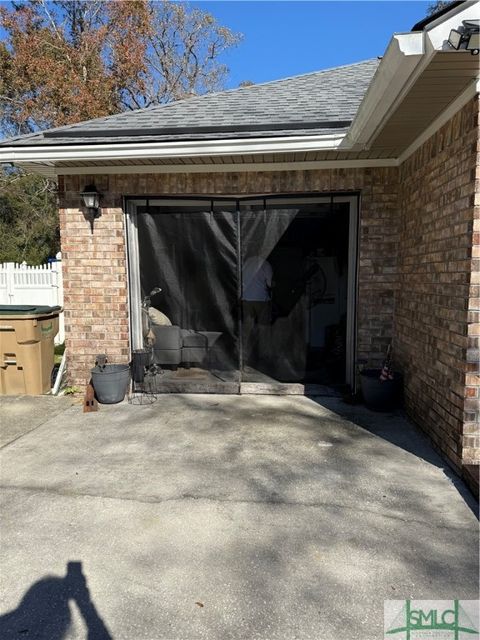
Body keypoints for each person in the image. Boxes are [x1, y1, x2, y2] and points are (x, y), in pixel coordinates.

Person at [242, 255, 273, 367]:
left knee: (246, 328)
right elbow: (269, 284)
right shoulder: (266, 264)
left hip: (246, 299)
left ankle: (244, 355)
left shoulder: (246, 262)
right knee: (263, 327)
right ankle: (263, 355)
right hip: (261, 300)